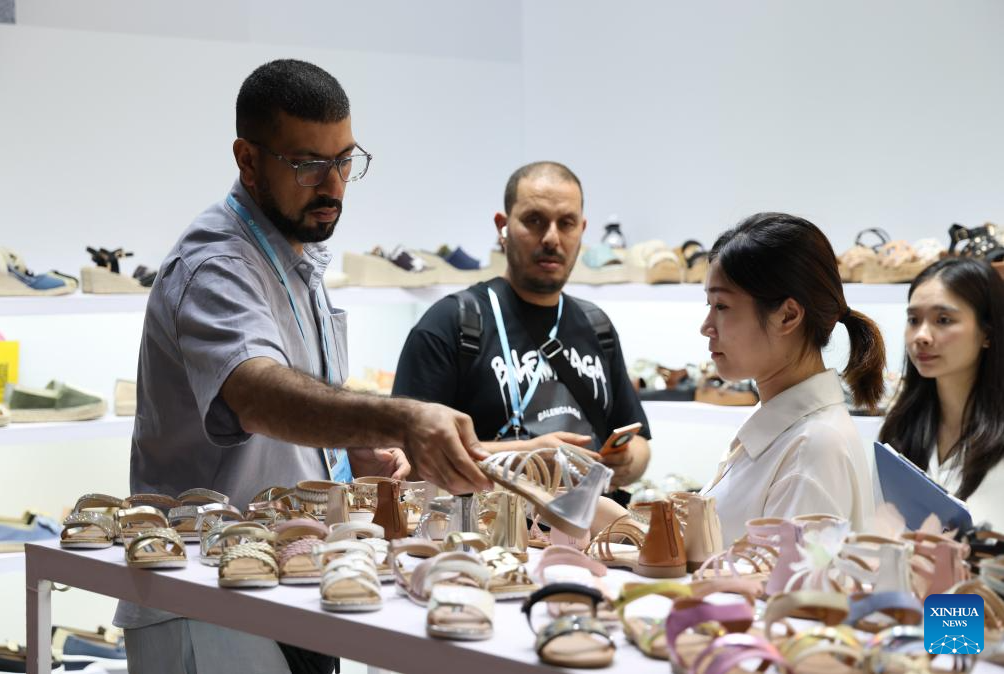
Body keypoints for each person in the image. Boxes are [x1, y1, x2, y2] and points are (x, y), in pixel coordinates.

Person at [114, 59, 490, 674]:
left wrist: (346, 451)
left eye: (345, 160)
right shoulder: (217, 264)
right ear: (248, 159)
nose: (333, 185)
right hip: (205, 595)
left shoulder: (295, 255)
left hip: (286, 579)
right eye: (308, 164)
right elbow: (257, 394)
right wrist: (399, 419)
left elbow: (294, 399)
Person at [392, 161, 652, 492]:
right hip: (486, 524)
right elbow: (407, 456)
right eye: (534, 220)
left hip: (594, 522)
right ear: (502, 227)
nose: (552, 238)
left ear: (582, 229)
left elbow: (640, 441)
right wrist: (525, 457)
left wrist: (625, 462)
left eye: (566, 223)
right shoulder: (450, 324)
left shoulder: (596, 325)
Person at [698, 212, 885, 545]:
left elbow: (788, 580)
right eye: (709, 304)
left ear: (788, 315)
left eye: (722, 306)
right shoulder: (784, 426)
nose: (706, 327)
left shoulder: (812, 449)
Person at [880, 257, 1004, 527]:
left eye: (943, 320)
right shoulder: (900, 427)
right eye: (914, 320)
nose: (921, 336)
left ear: (988, 332)